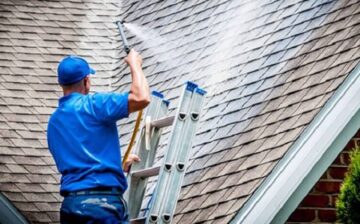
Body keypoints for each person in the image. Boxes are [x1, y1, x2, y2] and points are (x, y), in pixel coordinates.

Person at [47, 49, 150, 224]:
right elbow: (141, 98)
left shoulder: (54, 122)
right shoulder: (95, 105)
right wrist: (135, 65)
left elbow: (79, 162)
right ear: (86, 81)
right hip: (102, 207)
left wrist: (116, 166)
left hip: (70, 207)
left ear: (62, 84)